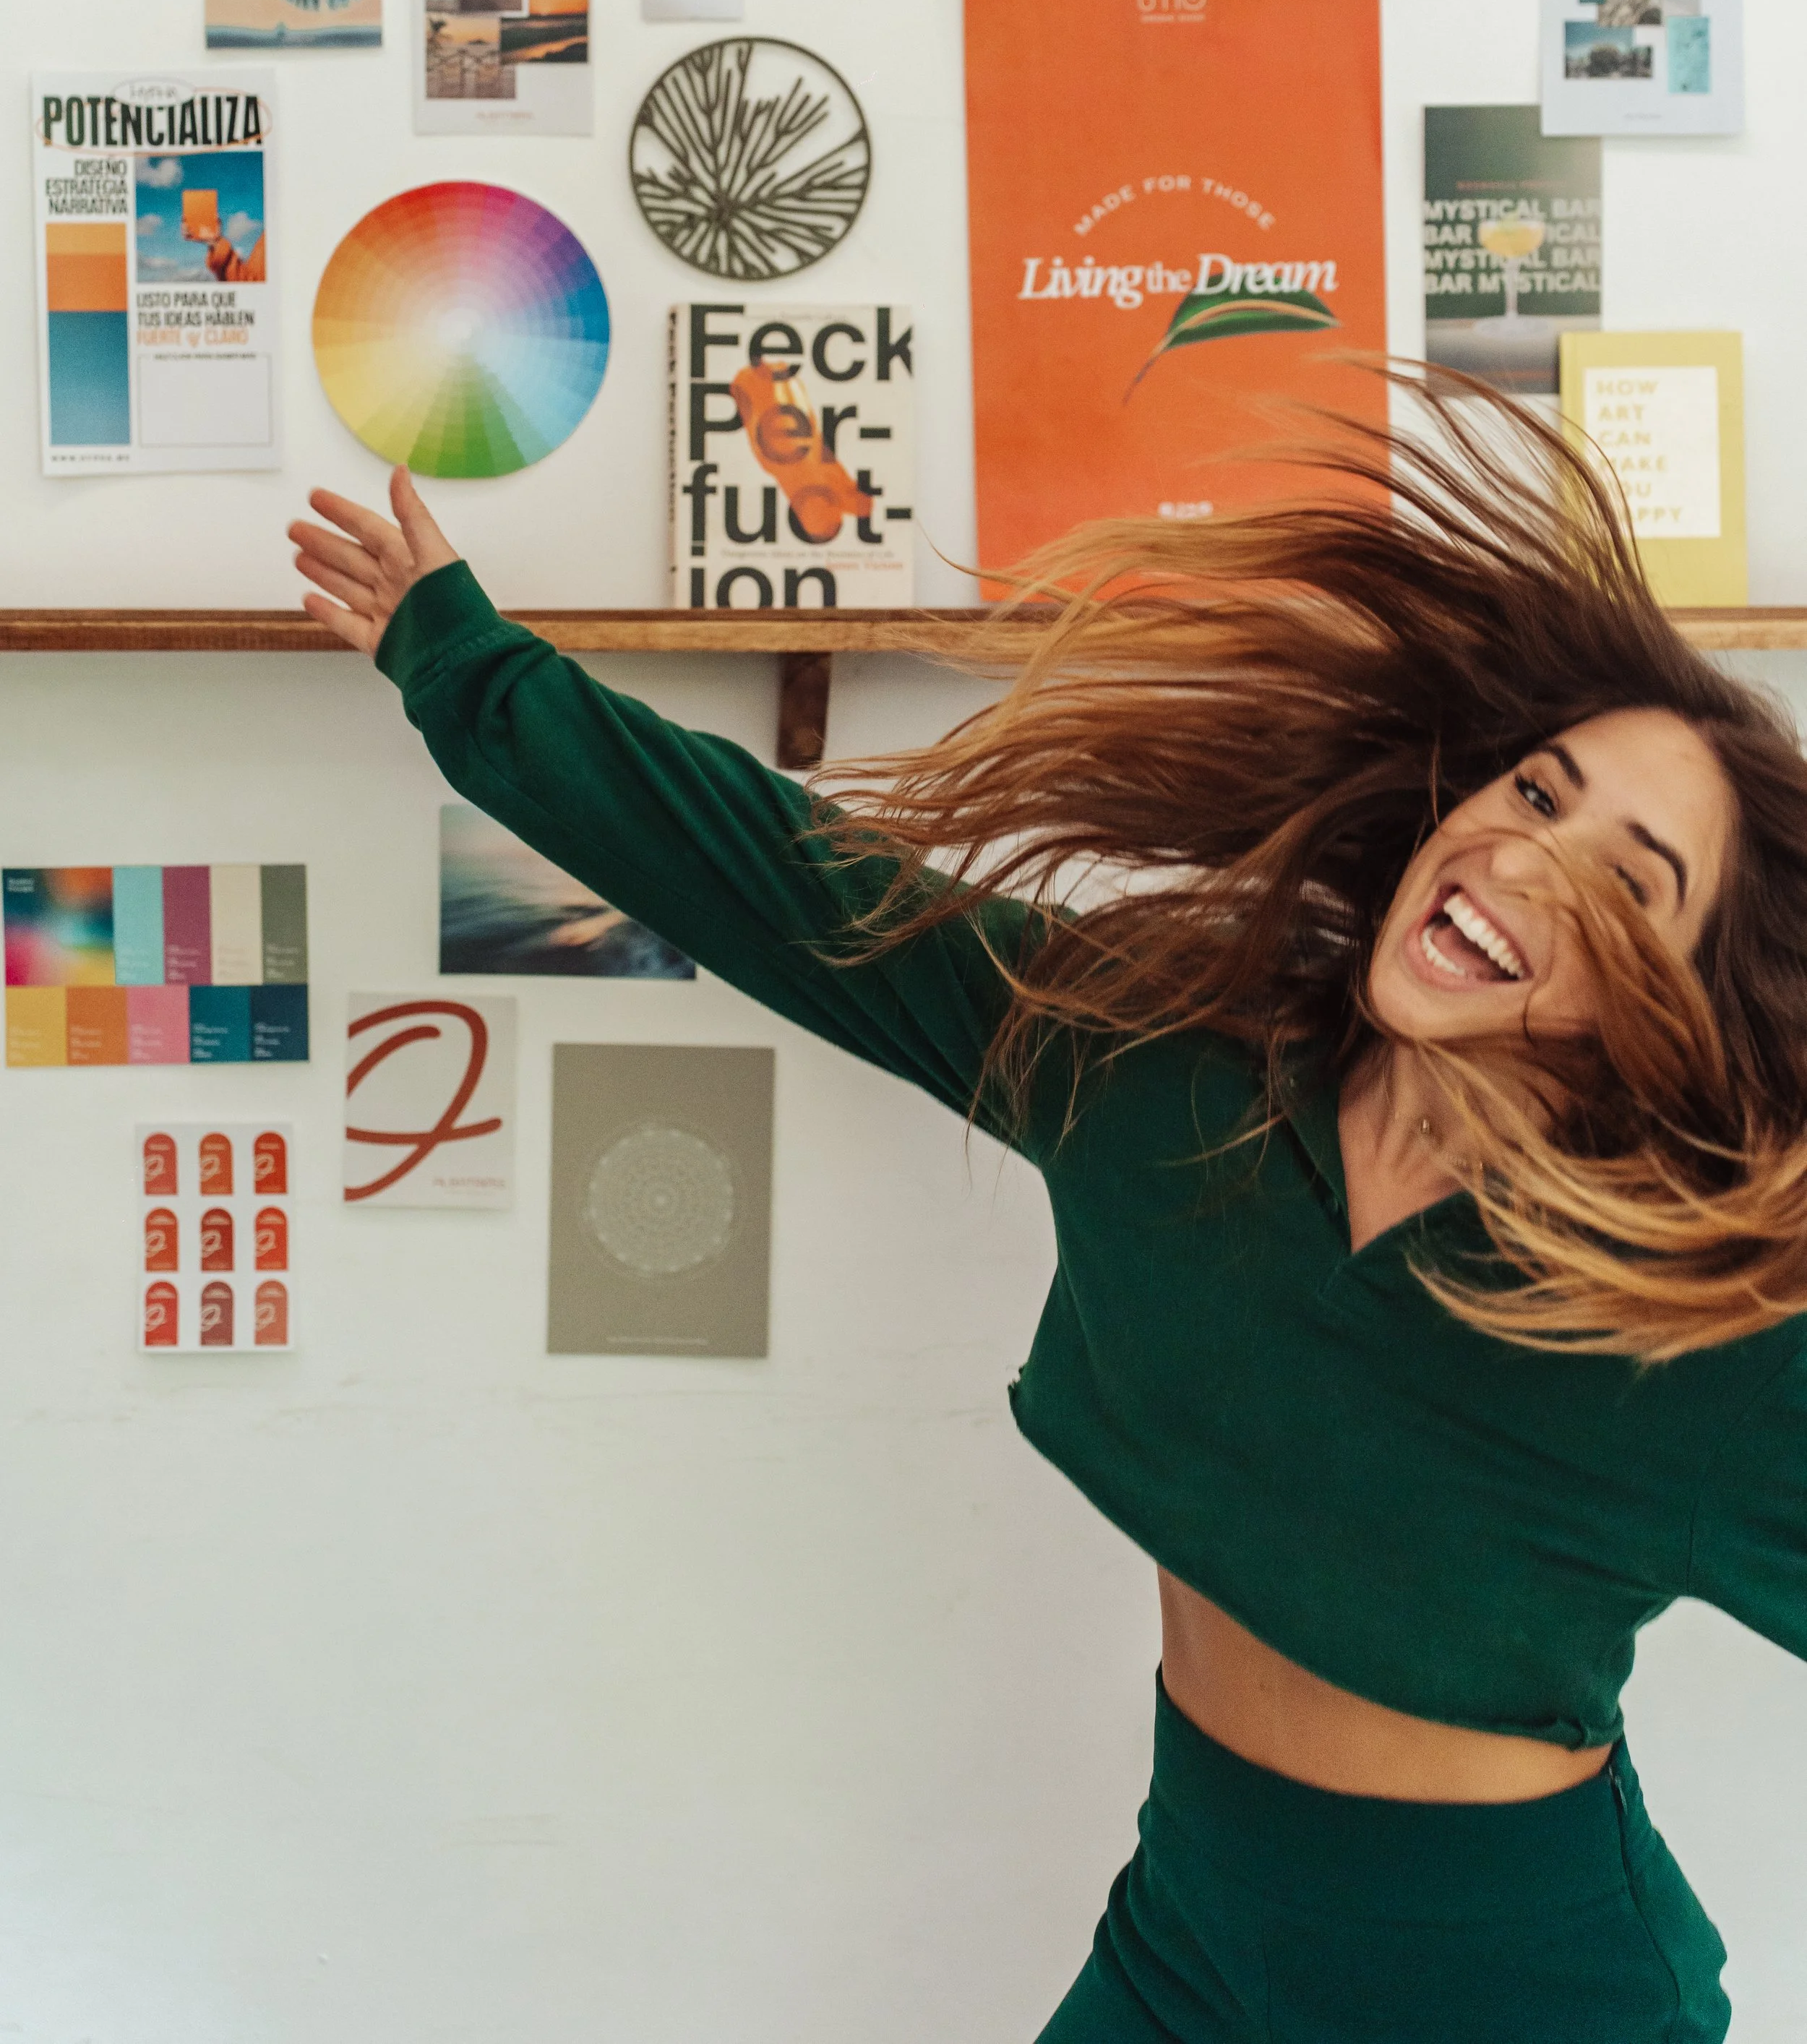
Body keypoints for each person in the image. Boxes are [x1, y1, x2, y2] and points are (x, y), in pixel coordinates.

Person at [290, 393, 1807, 2043]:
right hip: (1192, 1918)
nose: (1522, 855)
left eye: (1627, 873)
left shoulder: (1692, 1326)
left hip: (1511, 1985)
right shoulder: (1162, 1072)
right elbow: (810, 897)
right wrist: (463, 669)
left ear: (1674, 993)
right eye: (1534, 791)